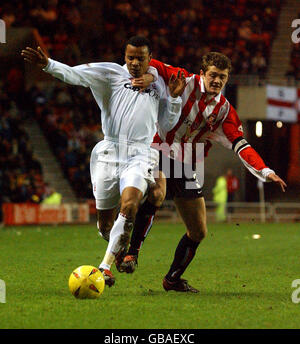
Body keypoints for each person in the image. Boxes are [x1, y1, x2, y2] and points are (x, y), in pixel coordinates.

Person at [21, 36, 186, 287]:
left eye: (140, 58)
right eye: (130, 57)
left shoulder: (159, 83)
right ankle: (118, 250)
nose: (133, 63)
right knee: (105, 225)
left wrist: (173, 100)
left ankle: (104, 267)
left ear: (149, 59)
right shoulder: (109, 73)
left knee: (130, 205)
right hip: (108, 153)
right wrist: (48, 65)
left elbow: (166, 125)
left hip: (141, 153)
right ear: (124, 56)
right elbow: (74, 75)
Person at [116, 52, 287, 293]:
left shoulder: (224, 111)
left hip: (184, 163)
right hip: (155, 148)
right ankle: (130, 254)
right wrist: (146, 75)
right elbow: (147, 61)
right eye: (213, 75)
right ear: (202, 73)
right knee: (157, 192)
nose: (217, 81)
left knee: (199, 230)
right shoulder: (182, 80)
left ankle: (172, 279)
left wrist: (265, 170)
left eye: (223, 77)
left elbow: (240, 144)